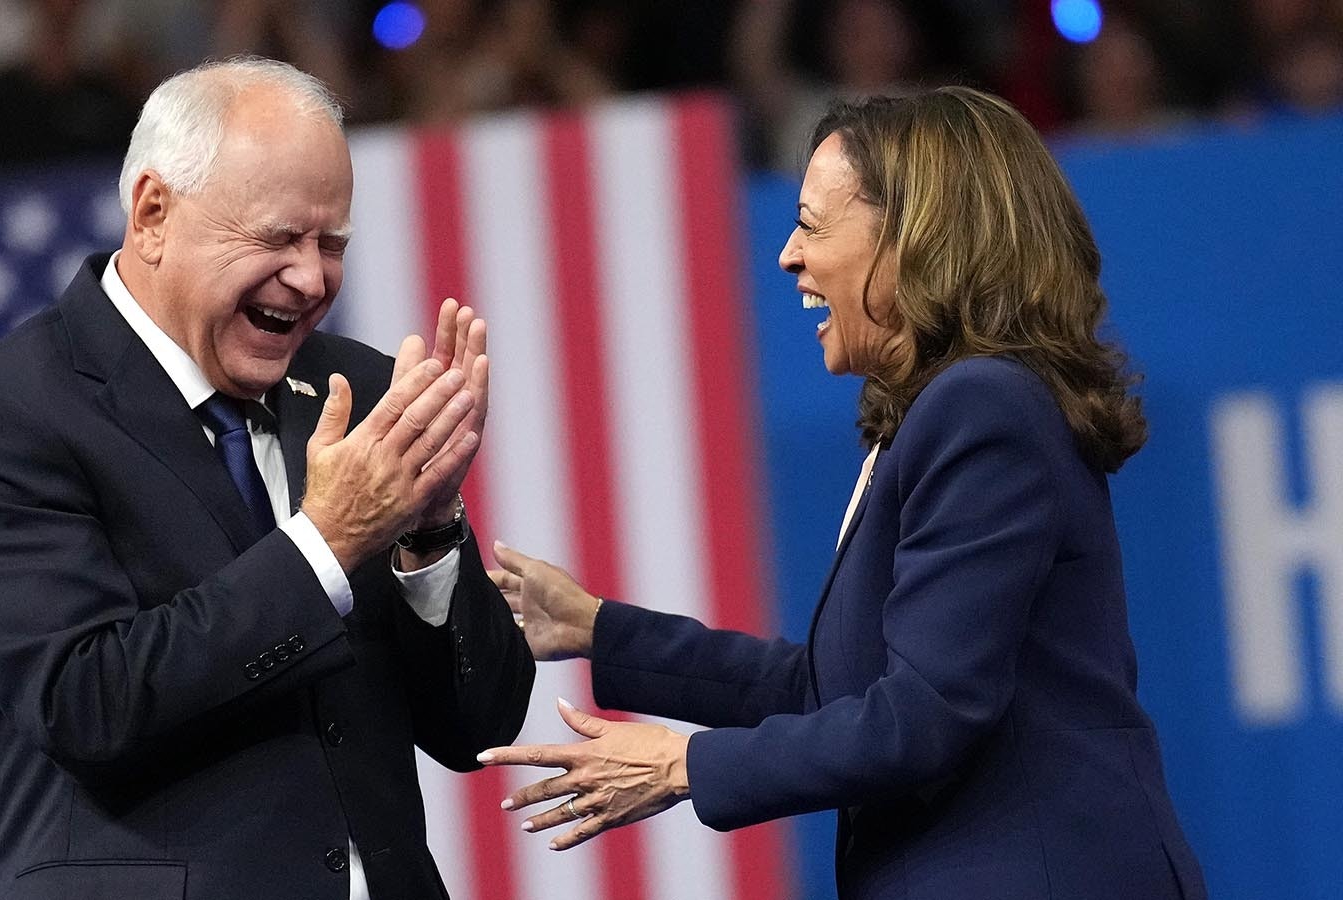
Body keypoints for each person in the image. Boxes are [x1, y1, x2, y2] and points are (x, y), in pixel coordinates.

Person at [479, 87, 1207, 900]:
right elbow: (832, 694)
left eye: (813, 224)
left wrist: (684, 765)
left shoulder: (982, 407)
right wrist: (597, 629)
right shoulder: (943, 414)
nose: (788, 254)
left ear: (916, 239)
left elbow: (922, 715)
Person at [0, 57, 534, 900]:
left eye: (331, 244)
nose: (311, 279)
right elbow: (86, 701)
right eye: (278, 238)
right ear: (154, 213)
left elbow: (478, 727)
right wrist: (328, 543)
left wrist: (430, 532)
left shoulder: (356, 395)